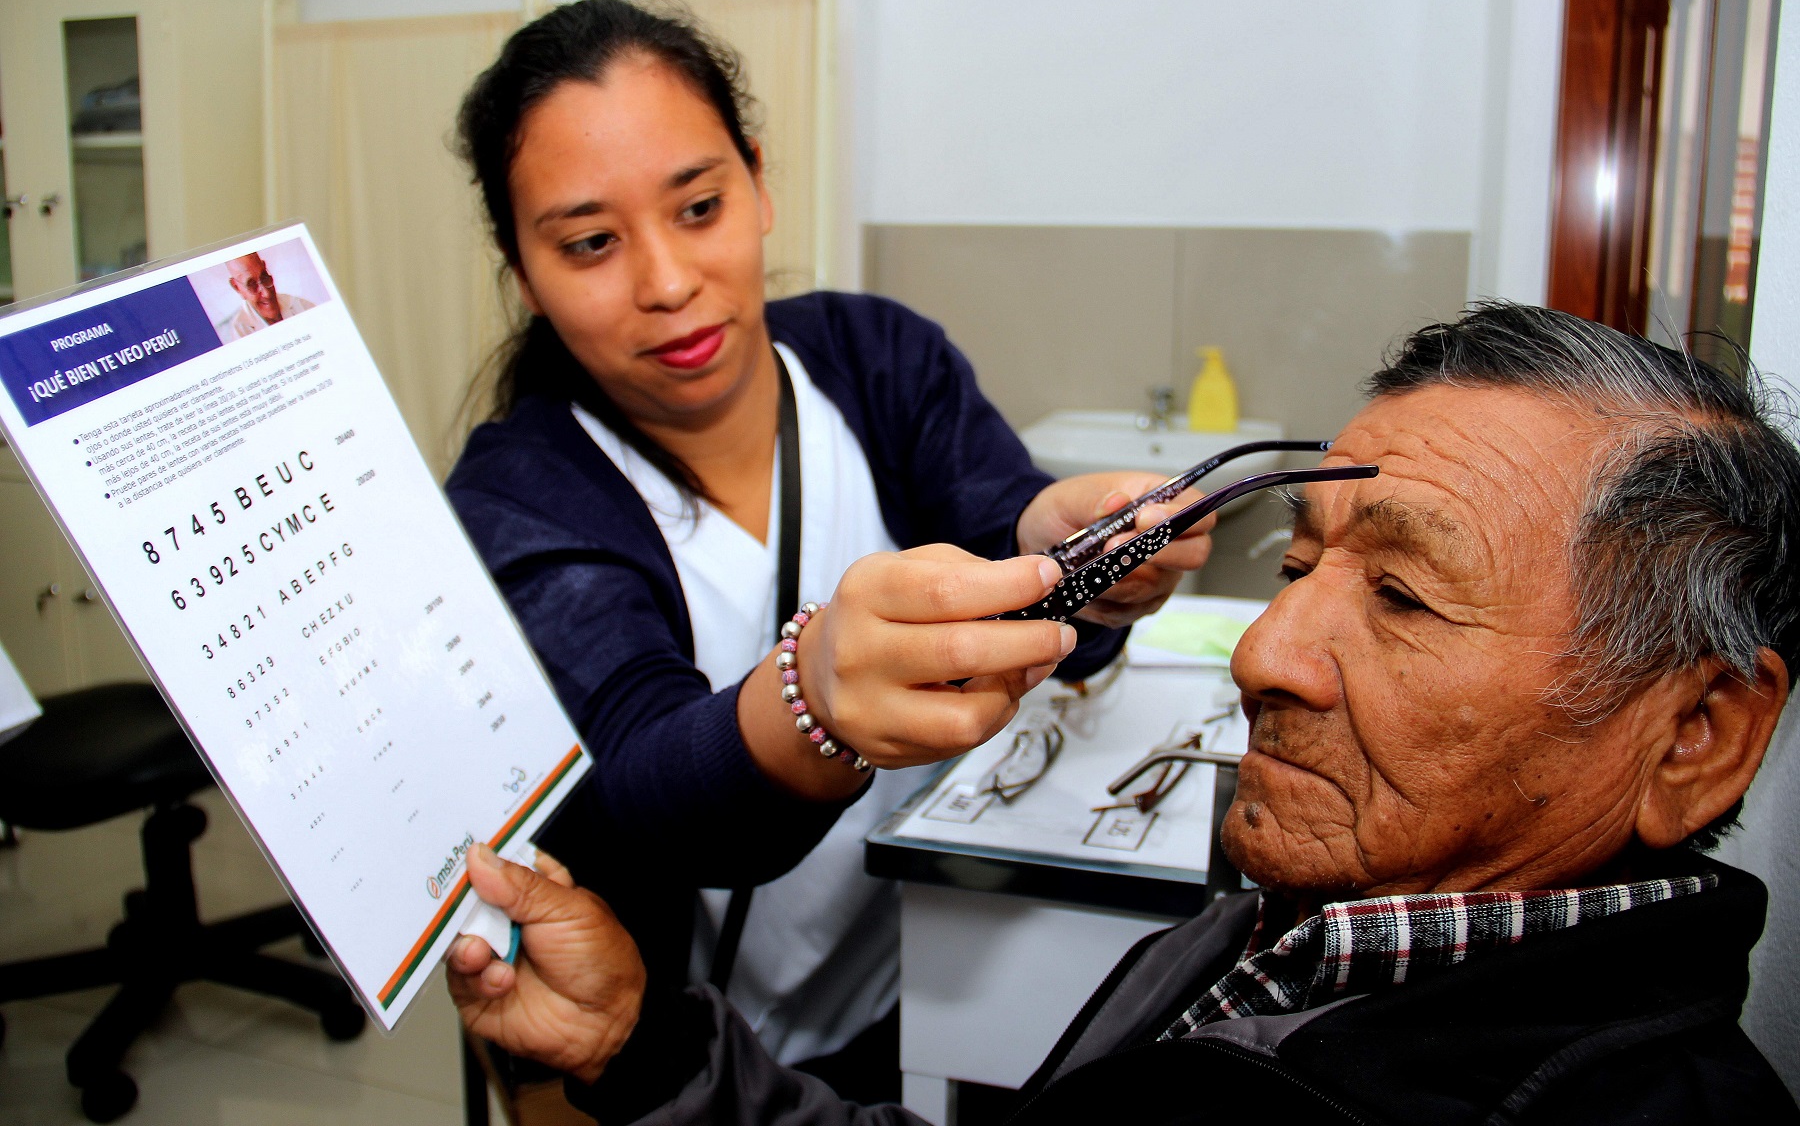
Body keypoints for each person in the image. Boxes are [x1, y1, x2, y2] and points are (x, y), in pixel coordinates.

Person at [447, 304, 1800, 1124]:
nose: (1265, 652)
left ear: (1697, 735)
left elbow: (998, 497)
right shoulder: (1279, 932)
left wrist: (1036, 524)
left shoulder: (861, 353)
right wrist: (643, 1042)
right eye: (1297, 561)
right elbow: (630, 766)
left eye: (1400, 594)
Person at [442, 0, 1212, 1101]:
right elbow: (646, 790)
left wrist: (1085, 567)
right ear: (523, 270)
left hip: (919, 975)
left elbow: (1007, 525)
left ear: (758, 183)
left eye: (699, 206)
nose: (665, 282)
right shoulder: (522, 494)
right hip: (702, 1063)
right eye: (591, 244)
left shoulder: (876, 358)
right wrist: (812, 691)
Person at [211, 251, 313, 342]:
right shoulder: (240, 333)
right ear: (237, 288)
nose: (267, 294)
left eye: (264, 277)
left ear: (264, 267)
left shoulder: (299, 304)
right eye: (252, 285)